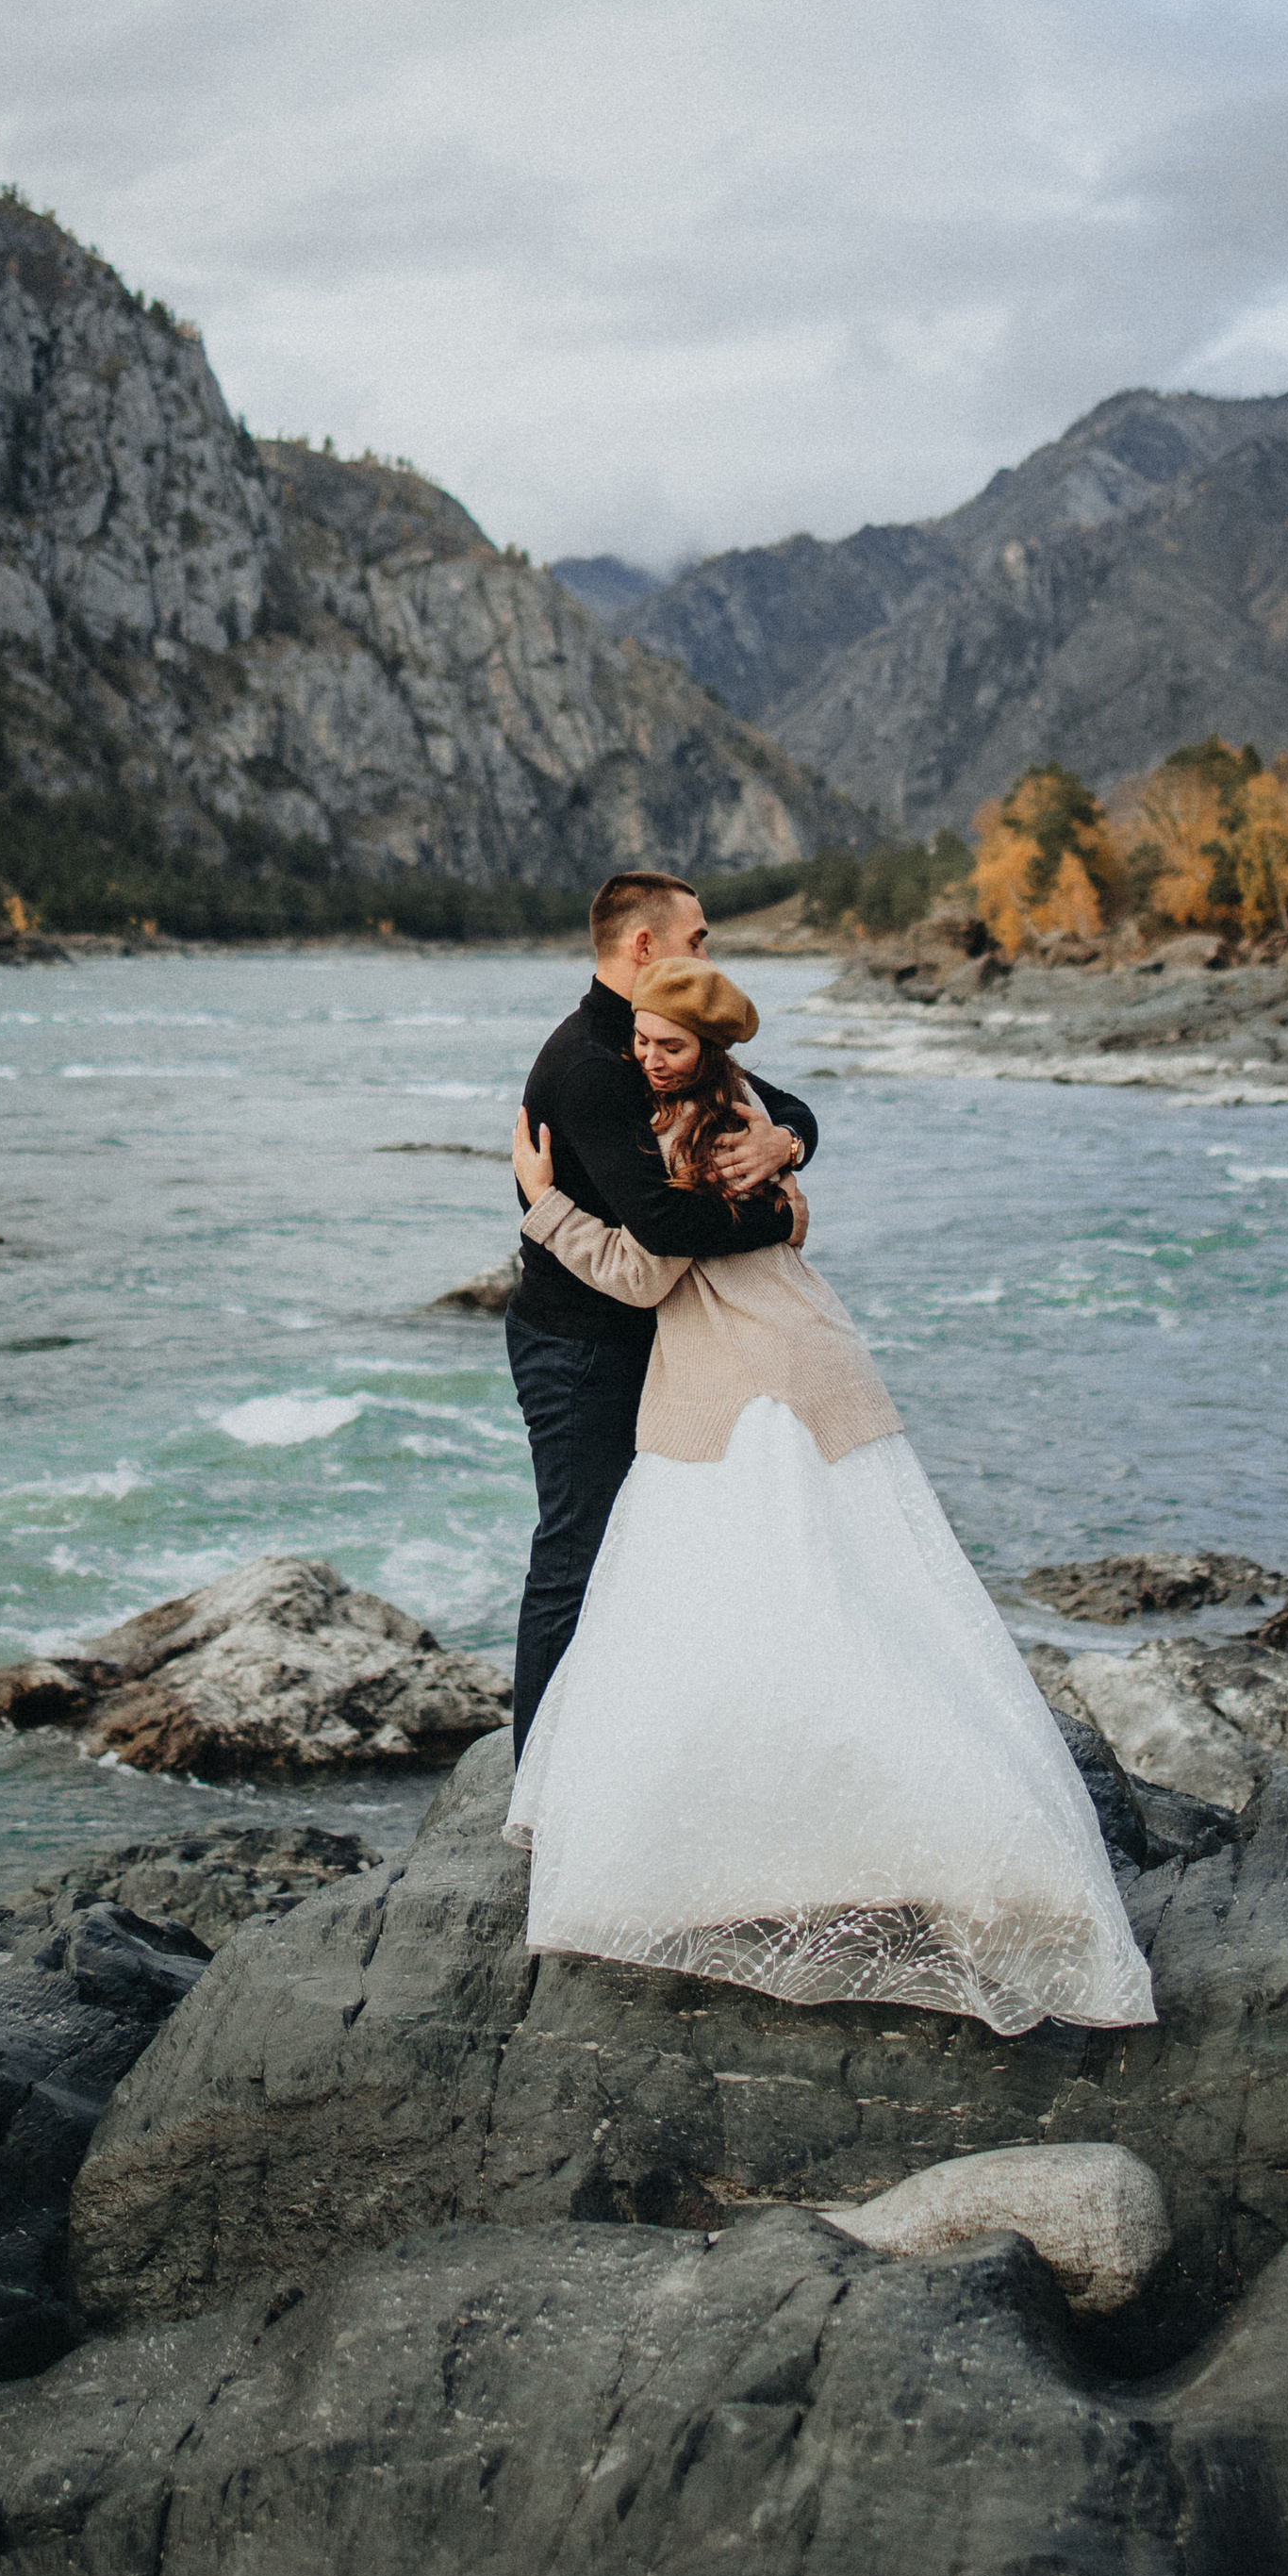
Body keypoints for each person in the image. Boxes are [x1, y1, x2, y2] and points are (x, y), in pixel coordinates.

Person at [504, 955, 1154, 2037]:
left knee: (756, 1593)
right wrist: (789, 1159)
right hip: (808, 1357)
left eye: (667, 1046)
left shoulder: (694, 1131)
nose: (643, 1059)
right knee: (843, 1593)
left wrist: (545, 1206)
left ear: (706, 1055)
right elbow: (787, 1199)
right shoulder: (750, 1109)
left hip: (743, 1379)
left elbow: (644, 1270)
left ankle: (781, 1828)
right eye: (641, 1040)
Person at [505, 871, 819, 1754]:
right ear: (644, 947)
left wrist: (786, 1143)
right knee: (576, 1561)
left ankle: (628, 1749)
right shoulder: (590, 1065)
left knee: (653, 1558)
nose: (707, 952)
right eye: (699, 937)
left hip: (648, 1341)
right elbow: (667, 1223)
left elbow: (780, 1103)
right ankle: (541, 1779)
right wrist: (782, 1213)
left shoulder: (666, 1034)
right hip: (581, 1349)